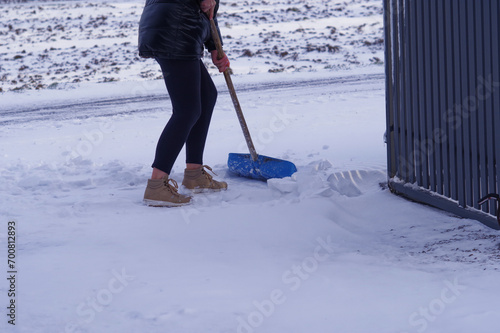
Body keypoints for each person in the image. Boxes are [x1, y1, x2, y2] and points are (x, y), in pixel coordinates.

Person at [138, 0, 230, 207]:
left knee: (206, 96)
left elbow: (209, 11)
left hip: (180, 28)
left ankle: (194, 173)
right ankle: (156, 186)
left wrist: (215, 47)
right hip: (175, 29)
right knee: (187, 110)